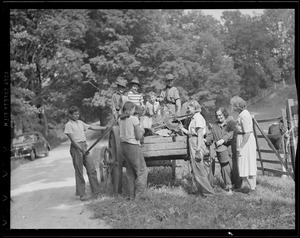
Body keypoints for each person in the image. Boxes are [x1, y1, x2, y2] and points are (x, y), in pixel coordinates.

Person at [64, 106, 107, 201]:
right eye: (75, 114)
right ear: (70, 115)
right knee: (79, 171)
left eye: (78, 114)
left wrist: (105, 127)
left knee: (91, 169)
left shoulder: (80, 122)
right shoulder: (68, 125)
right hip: (76, 148)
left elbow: (92, 127)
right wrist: (80, 149)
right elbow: (73, 140)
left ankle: (96, 192)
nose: (77, 116)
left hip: (84, 146)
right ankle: (82, 194)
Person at [178, 100, 215, 196]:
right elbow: (191, 133)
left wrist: (198, 150)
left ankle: (208, 192)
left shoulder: (198, 118)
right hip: (193, 141)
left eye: (189, 107)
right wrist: (181, 128)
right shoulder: (194, 118)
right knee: (196, 169)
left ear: (194, 108)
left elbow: (199, 135)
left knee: (199, 168)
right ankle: (201, 191)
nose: (188, 109)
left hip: (196, 143)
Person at [119, 101, 148, 200]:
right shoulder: (134, 119)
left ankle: (131, 197)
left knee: (130, 172)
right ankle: (139, 197)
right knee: (142, 171)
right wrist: (142, 131)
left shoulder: (121, 119)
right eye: (134, 109)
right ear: (131, 110)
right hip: (133, 146)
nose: (134, 111)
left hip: (123, 146)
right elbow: (138, 136)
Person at [230, 96, 257, 194]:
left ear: (237, 107)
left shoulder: (244, 115)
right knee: (248, 164)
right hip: (245, 139)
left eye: (233, 105)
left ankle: (253, 188)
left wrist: (240, 146)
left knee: (246, 164)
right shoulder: (244, 114)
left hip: (245, 141)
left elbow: (247, 133)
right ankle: (253, 187)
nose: (232, 107)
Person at [210, 107, 237, 194]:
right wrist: (205, 140)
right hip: (221, 150)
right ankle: (228, 187)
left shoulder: (230, 123)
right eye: (217, 116)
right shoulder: (214, 126)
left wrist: (223, 139)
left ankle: (236, 185)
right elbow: (211, 136)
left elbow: (232, 133)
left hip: (231, 148)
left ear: (224, 114)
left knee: (233, 167)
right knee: (225, 167)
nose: (219, 117)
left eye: (220, 115)